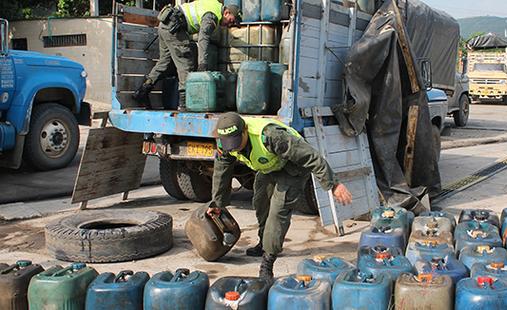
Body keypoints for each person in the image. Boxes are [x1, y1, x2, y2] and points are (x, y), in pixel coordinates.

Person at [210, 112, 353, 282]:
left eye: (235, 142)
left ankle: (268, 262)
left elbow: (311, 156)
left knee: (279, 210)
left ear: (245, 131)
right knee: (261, 202)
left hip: (293, 167)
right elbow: (222, 170)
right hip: (270, 167)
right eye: (229, 144)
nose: (233, 148)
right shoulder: (225, 143)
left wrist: (333, 184)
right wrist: (217, 203)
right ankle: (264, 243)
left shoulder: (271, 136)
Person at [133, 0, 241, 110]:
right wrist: (202, 64)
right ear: (226, 13)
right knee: (186, 64)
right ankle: (184, 104)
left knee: (164, 63)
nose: (229, 25)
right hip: (174, 27)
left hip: (165, 25)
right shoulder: (212, 16)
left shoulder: (214, 4)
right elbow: (203, 38)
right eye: (231, 21)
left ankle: (142, 92)